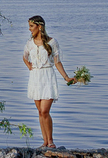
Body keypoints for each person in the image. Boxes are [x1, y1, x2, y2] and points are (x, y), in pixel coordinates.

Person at [22, 14, 77, 149]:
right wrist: (29, 66)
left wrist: (66, 77)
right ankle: (45, 142)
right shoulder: (30, 43)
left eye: (31, 26)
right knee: (40, 112)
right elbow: (24, 57)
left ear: (39, 27)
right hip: (35, 77)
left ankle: (51, 141)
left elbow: (57, 62)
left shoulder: (52, 42)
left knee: (45, 110)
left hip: (47, 76)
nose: (29, 29)